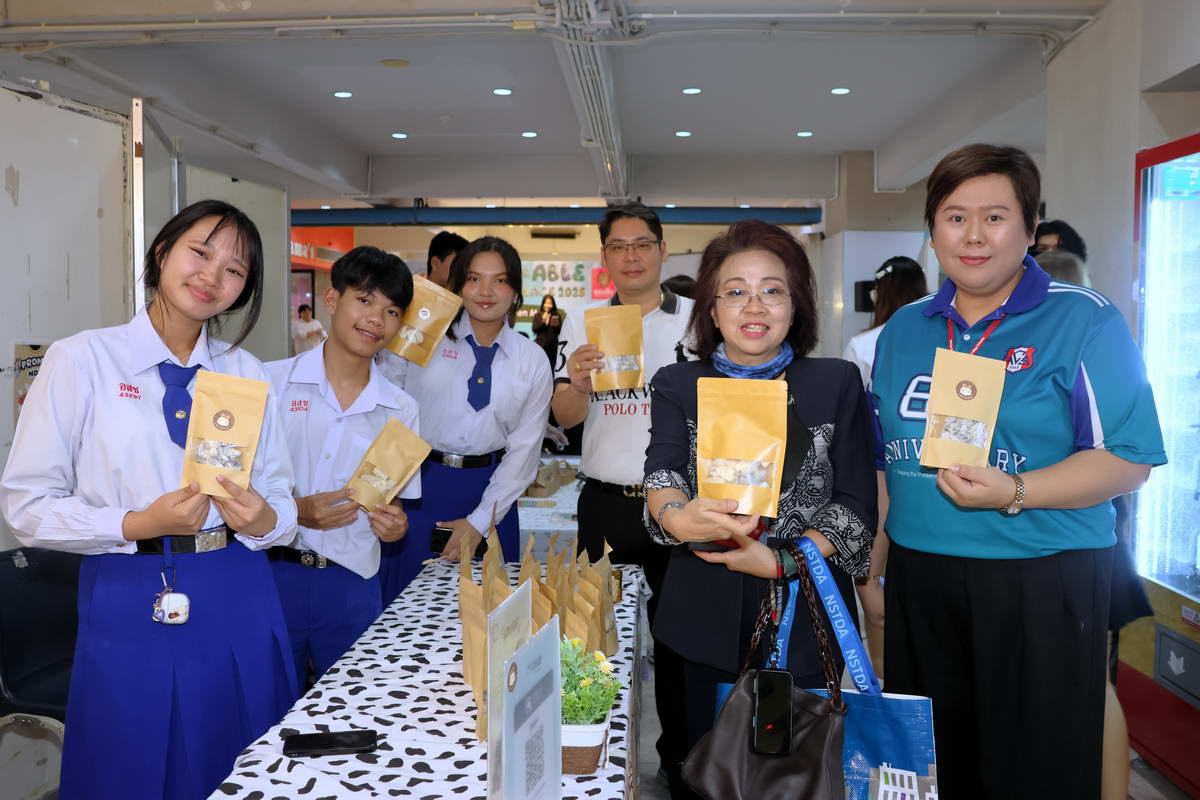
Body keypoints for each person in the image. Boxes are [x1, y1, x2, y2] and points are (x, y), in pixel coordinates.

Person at [870, 144, 1165, 798]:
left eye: (996, 217)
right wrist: (874, 572)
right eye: (955, 217)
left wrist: (1016, 491)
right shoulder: (905, 331)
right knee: (931, 769)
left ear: (1030, 228)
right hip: (922, 578)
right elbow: (886, 461)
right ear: (932, 230)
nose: (974, 236)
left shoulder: (1084, 319)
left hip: (1042, 576)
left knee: (1037, 771)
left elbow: (1131, 459)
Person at [0, 200, 299, 800]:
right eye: (200, 253)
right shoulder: (82, 359)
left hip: (238, 585)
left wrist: (265, 518)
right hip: (128, 590)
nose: (212, 276)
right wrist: (138, 522)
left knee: (241, 760)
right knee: (131, 763)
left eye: (235, 270)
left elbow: (281, 500)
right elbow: (26, 507)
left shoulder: (246, 372)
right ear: (162, 251)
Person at [643, 219, 876, 799]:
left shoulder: (836, 382)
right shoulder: (678, 383)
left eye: (773, 290)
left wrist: (782, 562)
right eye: (735, 291)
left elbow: (854, 503)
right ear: (712, 308)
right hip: (703, 615)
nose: (755, 306)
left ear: (796, 306)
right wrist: (677, 517)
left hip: (804, 616)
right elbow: (663, 474)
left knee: (790, 774)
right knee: (703, 770)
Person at [551, 203, 695, 791]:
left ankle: (682, 761)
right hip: (606, 502)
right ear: (604, 256)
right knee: (597, 640)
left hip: (680, 505)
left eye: (642, 244)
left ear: (663, 250)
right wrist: (578, 383)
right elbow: (564, 416)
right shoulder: (582, 320)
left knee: (680, 641)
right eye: (618, 246)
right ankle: (598, 763)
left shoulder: (697, 318)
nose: (631, 256)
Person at [265, 246, 418, 682]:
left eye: (391, 311)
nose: (376, 319)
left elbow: (392, 501)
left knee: (351, 706)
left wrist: (395, 526)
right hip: (274, 574)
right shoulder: (271, 382)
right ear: (332, 300)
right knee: (268, 705)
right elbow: (237, 486)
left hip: (351, 583)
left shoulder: (401, 409)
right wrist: (296, 511)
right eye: (364, 300)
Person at [377, 236, 552, 603]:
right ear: (458, 285)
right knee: (408, 606)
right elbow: (388, 410)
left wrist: (479, 522)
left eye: (500, 280)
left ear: (516, 291)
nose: (485, 291)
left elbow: (524, 451)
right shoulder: (423, 338)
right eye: (474, 279)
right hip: (418, 488)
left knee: (487, 611)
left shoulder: (532, 359)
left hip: (493, 495)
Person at [842, 256, 928, 387]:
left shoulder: (863, 345)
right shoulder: (943, 335)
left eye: (875, 291)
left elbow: (847, 394)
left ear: (882, 295)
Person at [531, 293, 563, 367]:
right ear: (543, 304)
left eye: (550, 303)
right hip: (540, 345)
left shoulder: (556, 315)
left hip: (553, 347)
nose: (548, 305)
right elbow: (534, 329)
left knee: (552, 366)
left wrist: (556, 325)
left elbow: (559, 331)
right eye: (546, 303)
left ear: (553, 305)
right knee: (539, 366)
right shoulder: (538, 315)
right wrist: (544, 321)